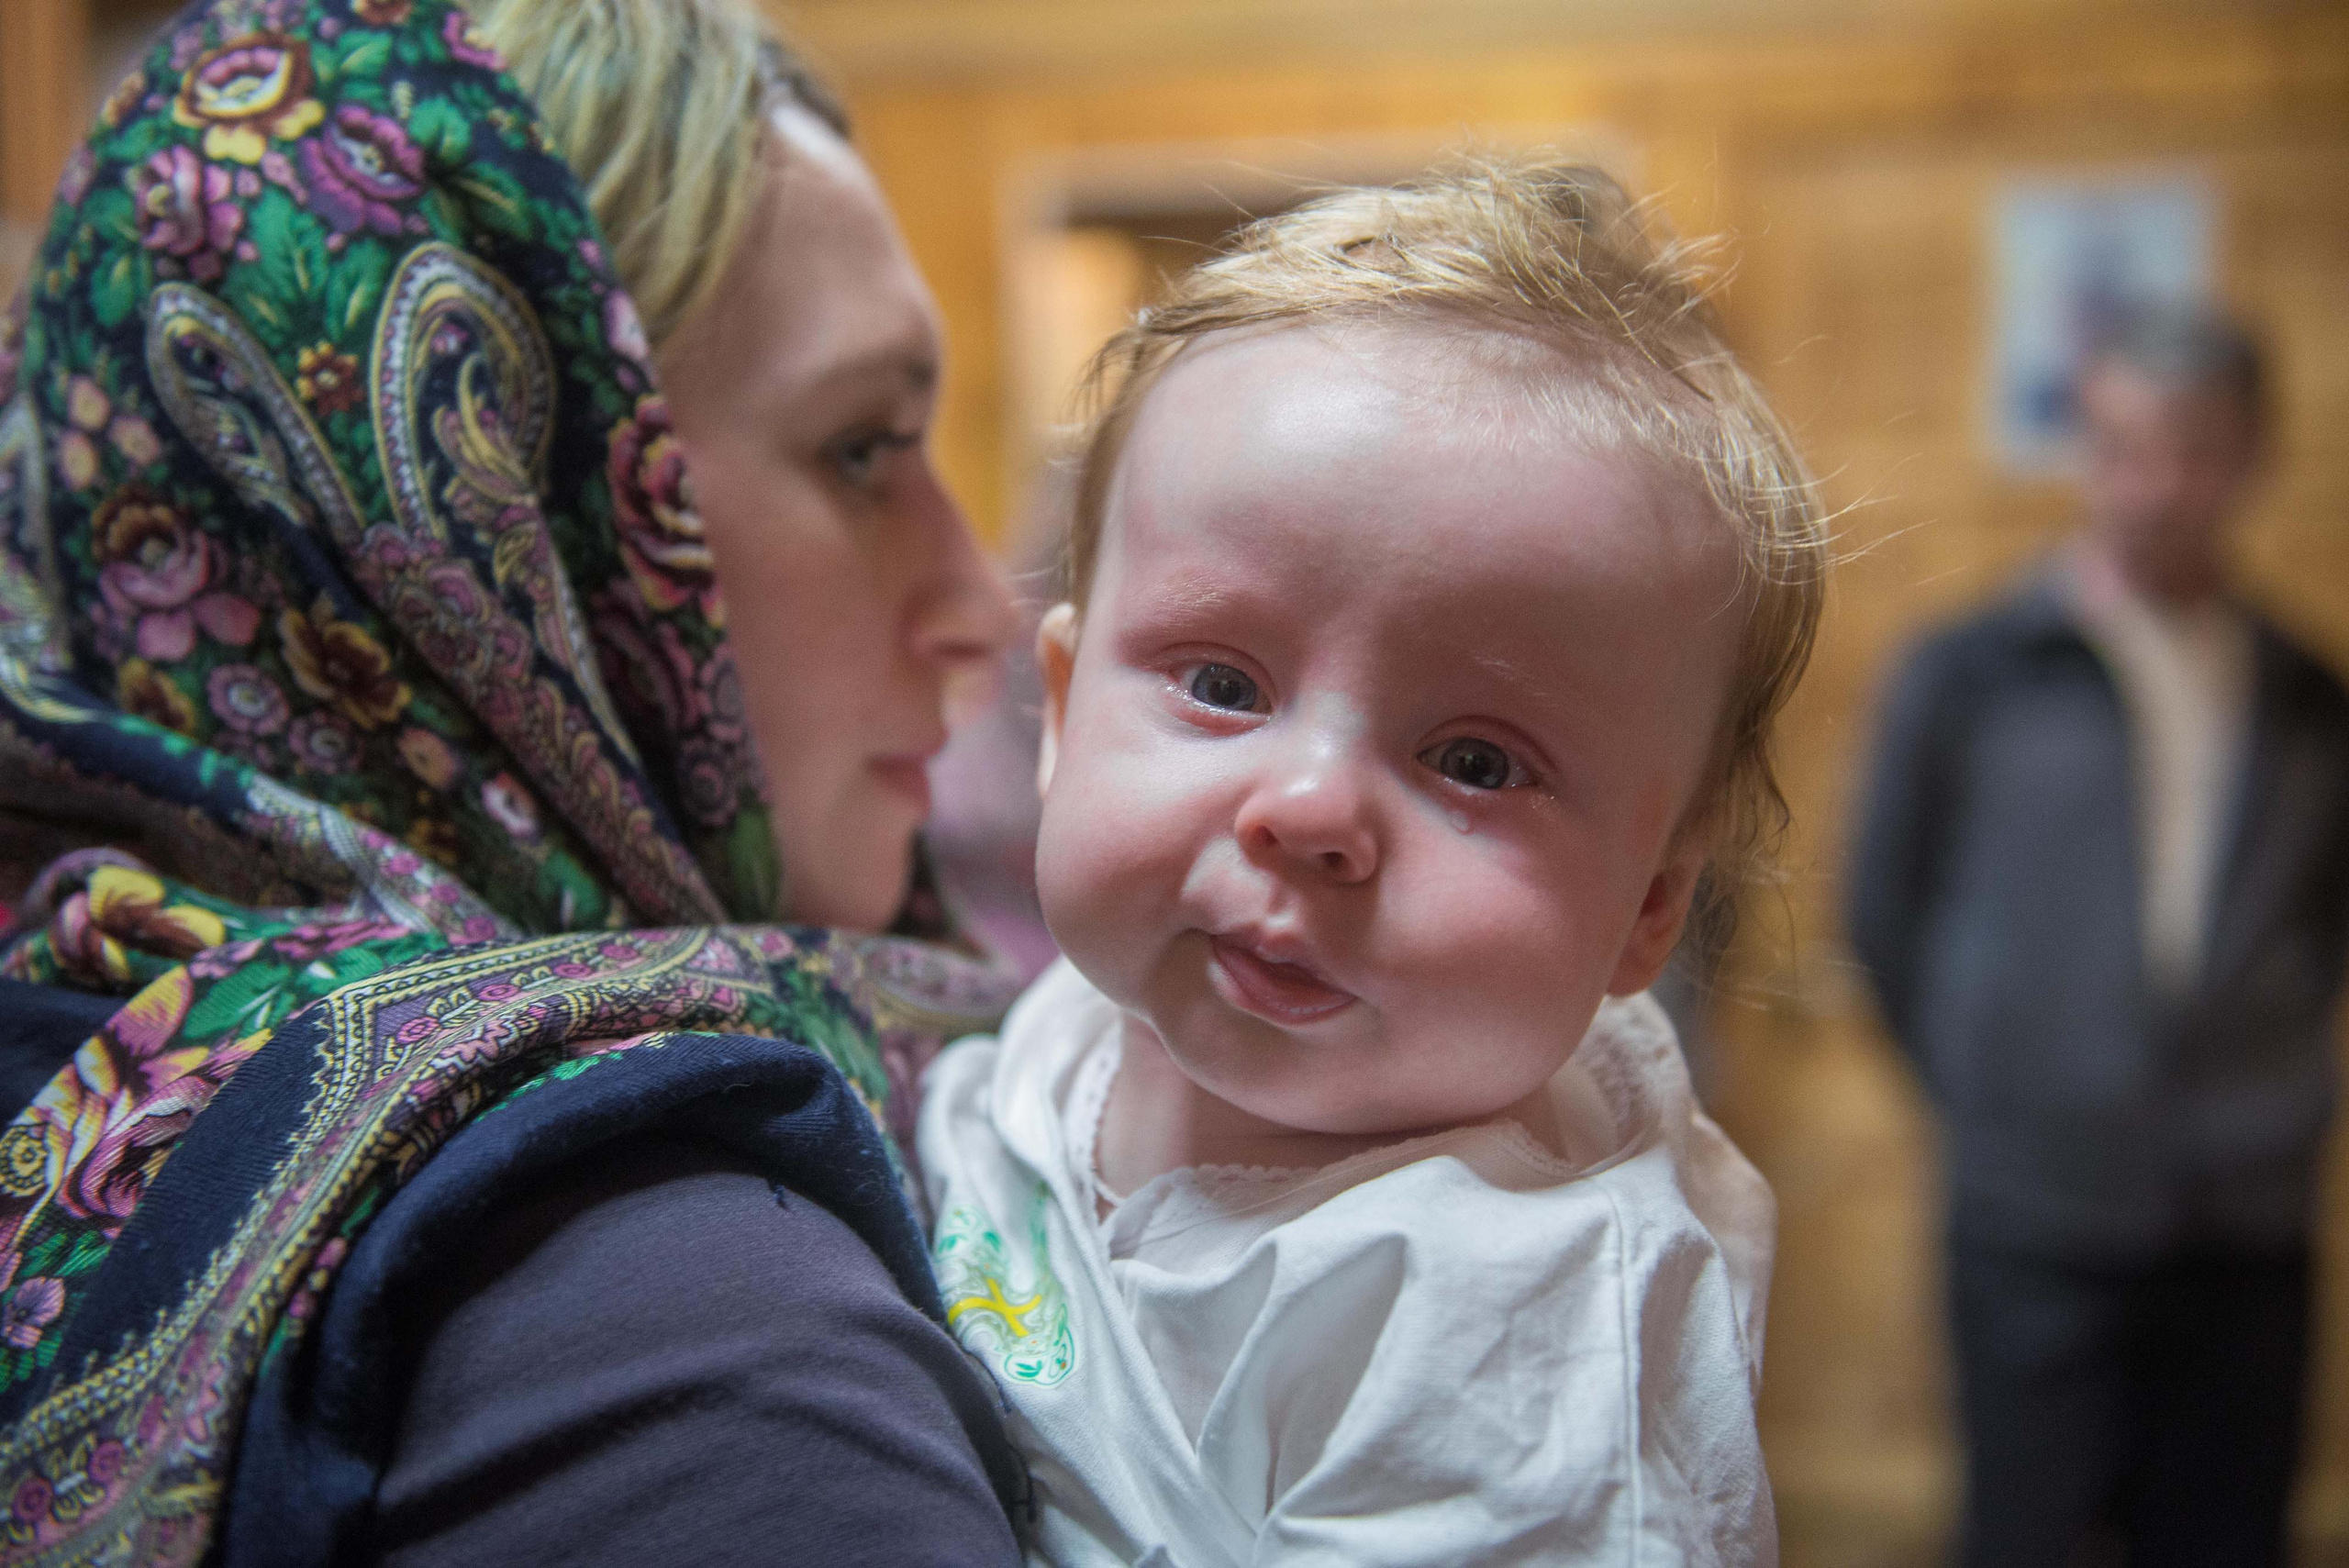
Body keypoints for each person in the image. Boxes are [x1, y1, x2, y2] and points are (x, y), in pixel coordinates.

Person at [0, 0, 1033, 1561]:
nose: (980, 602)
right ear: (502, 528)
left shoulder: (76, 1021)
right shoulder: (686, 1334)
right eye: (865, 449)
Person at [916, 161, 1826, 1564]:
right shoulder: (1079, 1024)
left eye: (1475, 761)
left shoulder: (1502, 1324)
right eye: (1221, 680)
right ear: (1060, 709)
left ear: (1648, 904)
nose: (1309, 806)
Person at [1846, 305, 2349, 1568]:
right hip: (2032, 1213)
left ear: (2250, 456)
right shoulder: (1974, 672)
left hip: (2249, 1223)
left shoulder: (2310, 699)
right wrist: (1995, 1089)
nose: (2157, 485)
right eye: (2123, 445)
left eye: (2195, 448)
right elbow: (1882, 911)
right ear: (2082, 445)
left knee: (2227, 1535)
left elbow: (2323, 931)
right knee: (2020, 1532)